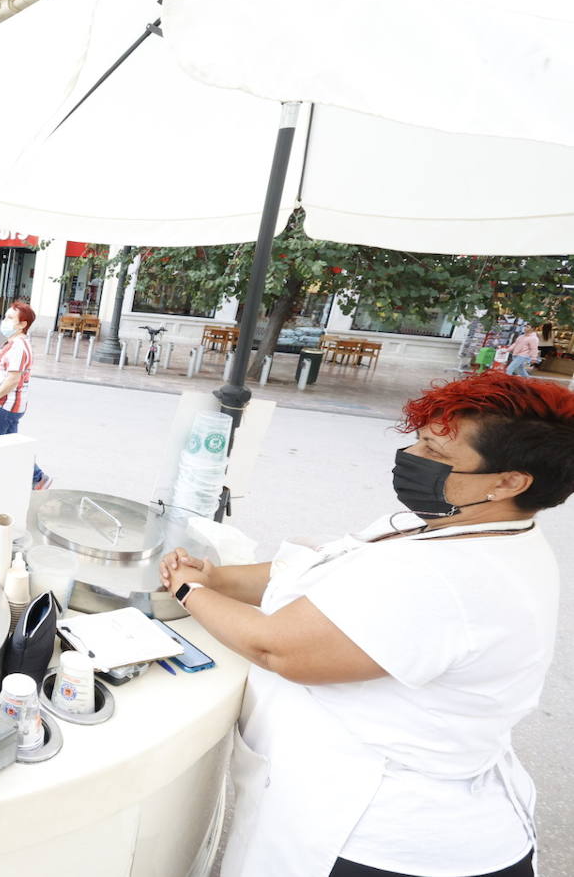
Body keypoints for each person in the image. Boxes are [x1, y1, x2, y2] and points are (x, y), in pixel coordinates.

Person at [160, 371, 573, 877]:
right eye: (420, 441)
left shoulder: (451, 576)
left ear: (509, 481)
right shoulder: (458, 528)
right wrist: (218, 578)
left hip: (379, 838)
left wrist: (188, 589)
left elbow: (278, 648)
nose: (415, 458)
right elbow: (311, 572)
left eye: (439, 455)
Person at [0, 301, 51, 489]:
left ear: (22, 324)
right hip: (10, 404)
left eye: (10, 318)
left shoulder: (19, 346)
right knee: (12, 446)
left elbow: (13, 379)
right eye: (5, 316)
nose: (5, 321)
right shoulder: (14, 343)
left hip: (4, 405)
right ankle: (37, 478)